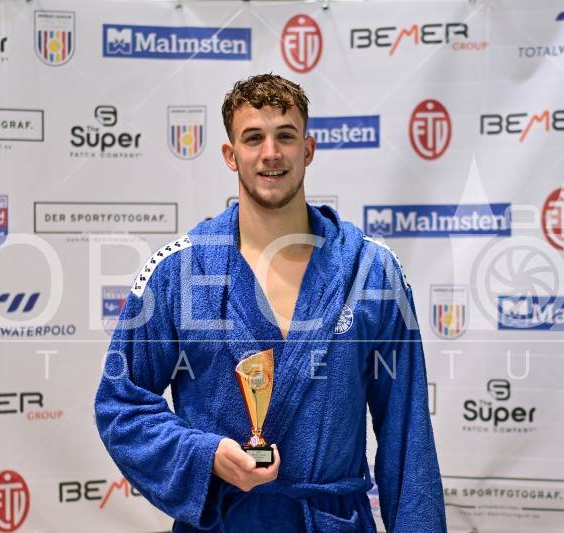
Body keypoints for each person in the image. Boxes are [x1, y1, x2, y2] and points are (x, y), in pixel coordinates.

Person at [94, 74, 446, 532]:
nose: (271, 153)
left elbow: (408, 435)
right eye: (253, 138)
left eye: (285, 136)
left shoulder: (372, 272)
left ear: (308, 149)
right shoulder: (179, 272)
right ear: (230, 154)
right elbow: (121, 405)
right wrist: (206, 455)